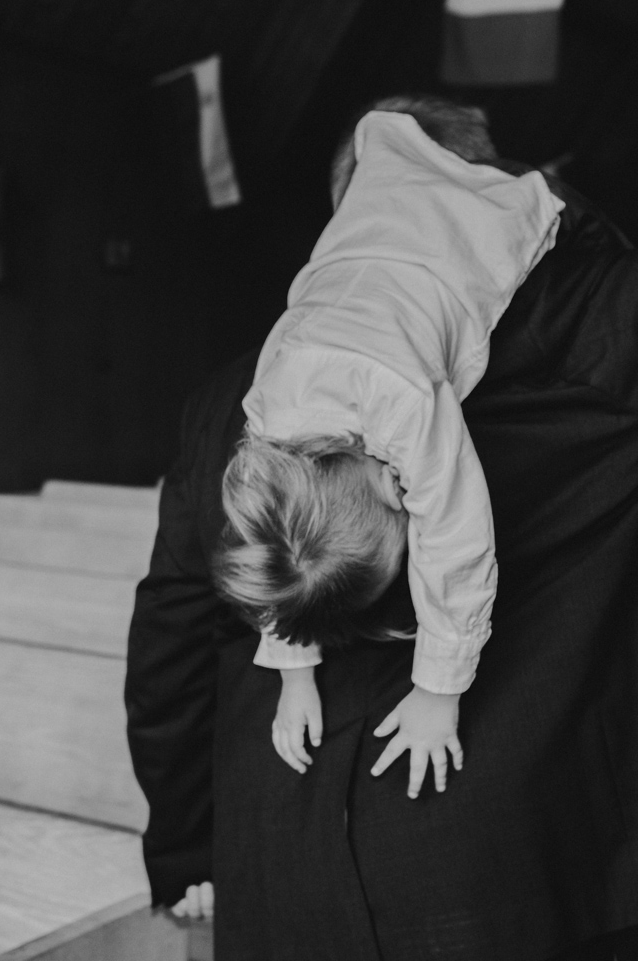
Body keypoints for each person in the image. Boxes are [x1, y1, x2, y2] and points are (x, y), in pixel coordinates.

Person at [125, 94, 638, 961]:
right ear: (482, 187)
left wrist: (187, 844)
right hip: (500, 870)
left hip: (286, 869)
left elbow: (172, 634)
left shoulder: (234, 395)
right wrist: (555, 206)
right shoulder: (589, 319)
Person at [216, 109, 564, 796]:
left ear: (387, 484)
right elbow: (273, 551)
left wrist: (440, 691)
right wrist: (292, 673)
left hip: (450, 241)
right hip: (379, 233)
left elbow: (457, 539)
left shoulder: (403, 401)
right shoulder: (268, 418)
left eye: (401, 504)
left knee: (554, 217)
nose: (409, 500)